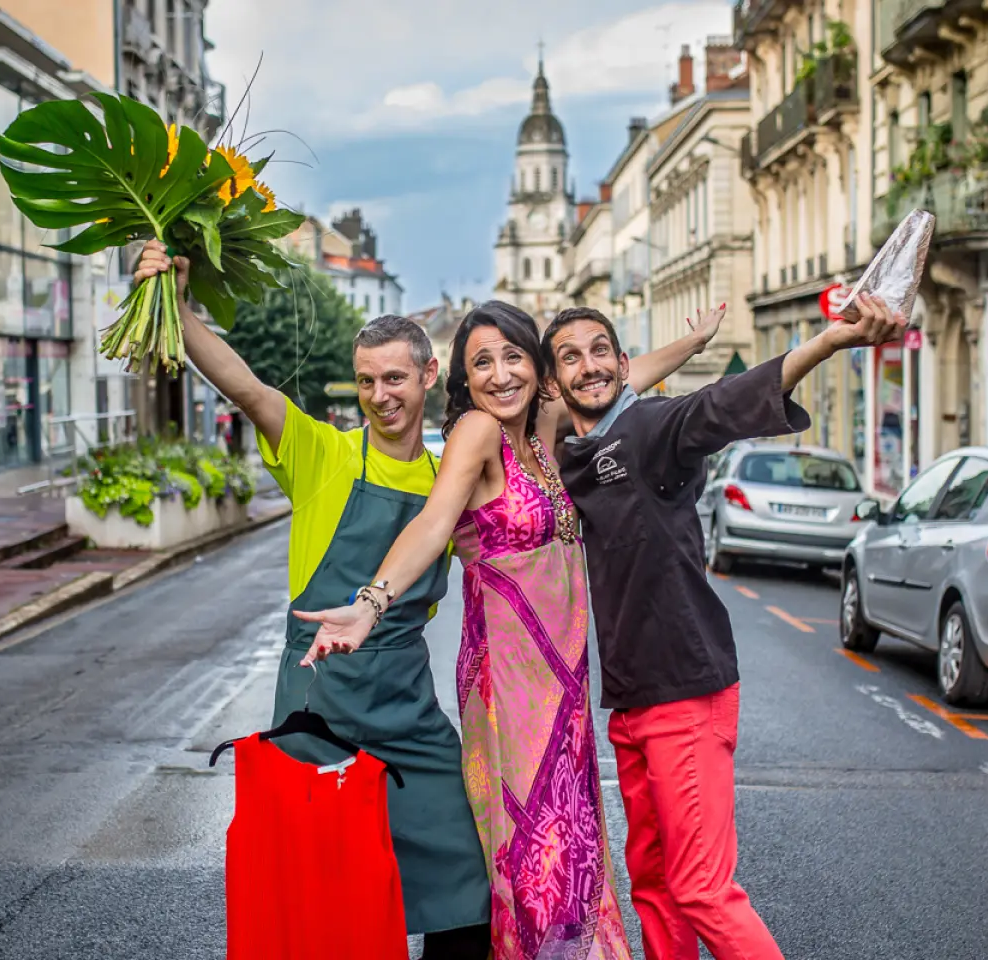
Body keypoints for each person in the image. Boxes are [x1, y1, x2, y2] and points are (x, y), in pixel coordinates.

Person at [294, 300, 720, 960]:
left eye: (513, 357)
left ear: (537, 366)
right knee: (532, 850)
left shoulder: (544, 427)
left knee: (572, 842)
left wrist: (692, 344)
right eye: (482, 363)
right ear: (464, 379)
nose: (500, 375)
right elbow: (434, 523)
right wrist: (371, 602)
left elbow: (619, 381)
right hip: (509, 685)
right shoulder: (477, 433)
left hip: (565, 683)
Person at [132, 240, 491, 957]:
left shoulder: (446, 478)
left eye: (395, 378)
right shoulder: (322, 453)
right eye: (366, 381)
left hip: (407, 706)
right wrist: (177, 301)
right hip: (317, 707)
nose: (381, 395)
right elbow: (246, 388)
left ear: (428, 376)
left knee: (467, 884)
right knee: (321, 895)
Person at [541, 298, 906, 960]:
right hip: (628, 700)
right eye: (570, 357)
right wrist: (687, 344)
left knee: (702, 888)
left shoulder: (653, 427)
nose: (588, 366)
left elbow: (720, 404)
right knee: (653, 885)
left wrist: (827, 342)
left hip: (684, 690)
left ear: (623, 364)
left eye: (599, 352)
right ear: (554, 380)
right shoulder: (572, 454)